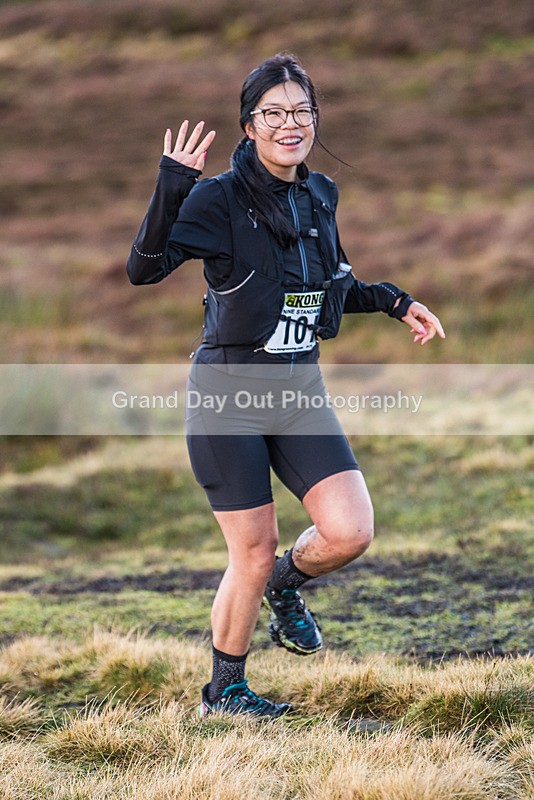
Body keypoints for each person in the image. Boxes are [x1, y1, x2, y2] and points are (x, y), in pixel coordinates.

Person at [127, 53, 445, 719]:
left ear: (315, 119)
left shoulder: (320, 194)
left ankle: (285, 586)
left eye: (301, 111)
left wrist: (394, 301)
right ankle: (226, 692)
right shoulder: (216, 198)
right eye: (273, 113)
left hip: (299, 392)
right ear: (249, 126)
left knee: (350, 531)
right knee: (251, 549)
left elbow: (328, 284)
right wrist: (172, 184)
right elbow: (144, 268)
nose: (289, 123)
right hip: (228, 395)